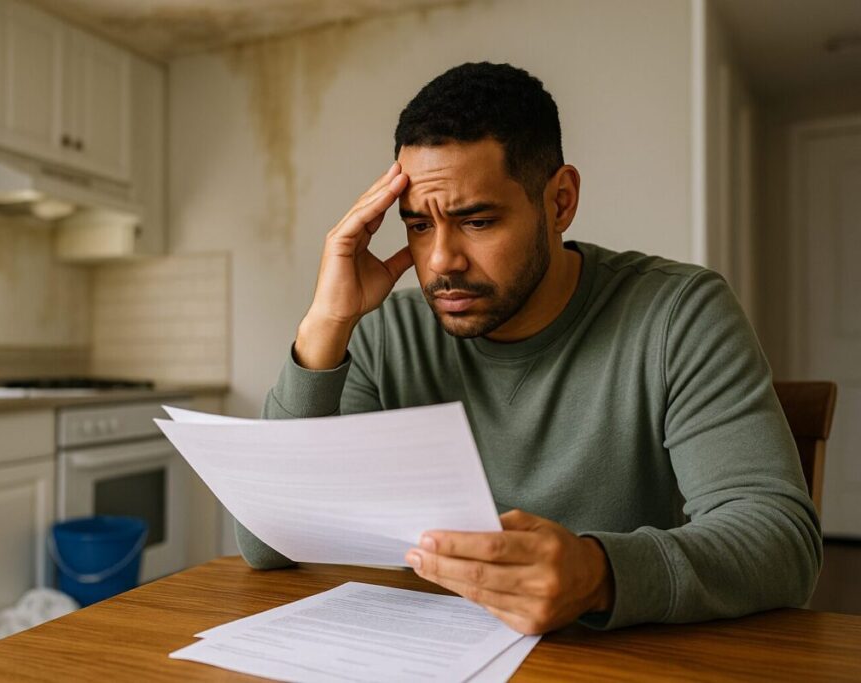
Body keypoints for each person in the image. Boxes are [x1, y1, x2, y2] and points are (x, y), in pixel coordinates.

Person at [237, 62, 821, 634]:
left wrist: (598, 574)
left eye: (478, 221)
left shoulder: (677, 313)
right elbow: (268, 543)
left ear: (560, 201)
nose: (440, 261)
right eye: (418, 225)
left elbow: (781, 541)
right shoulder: (382, 331)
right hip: (431, 654)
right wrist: (324, 326)